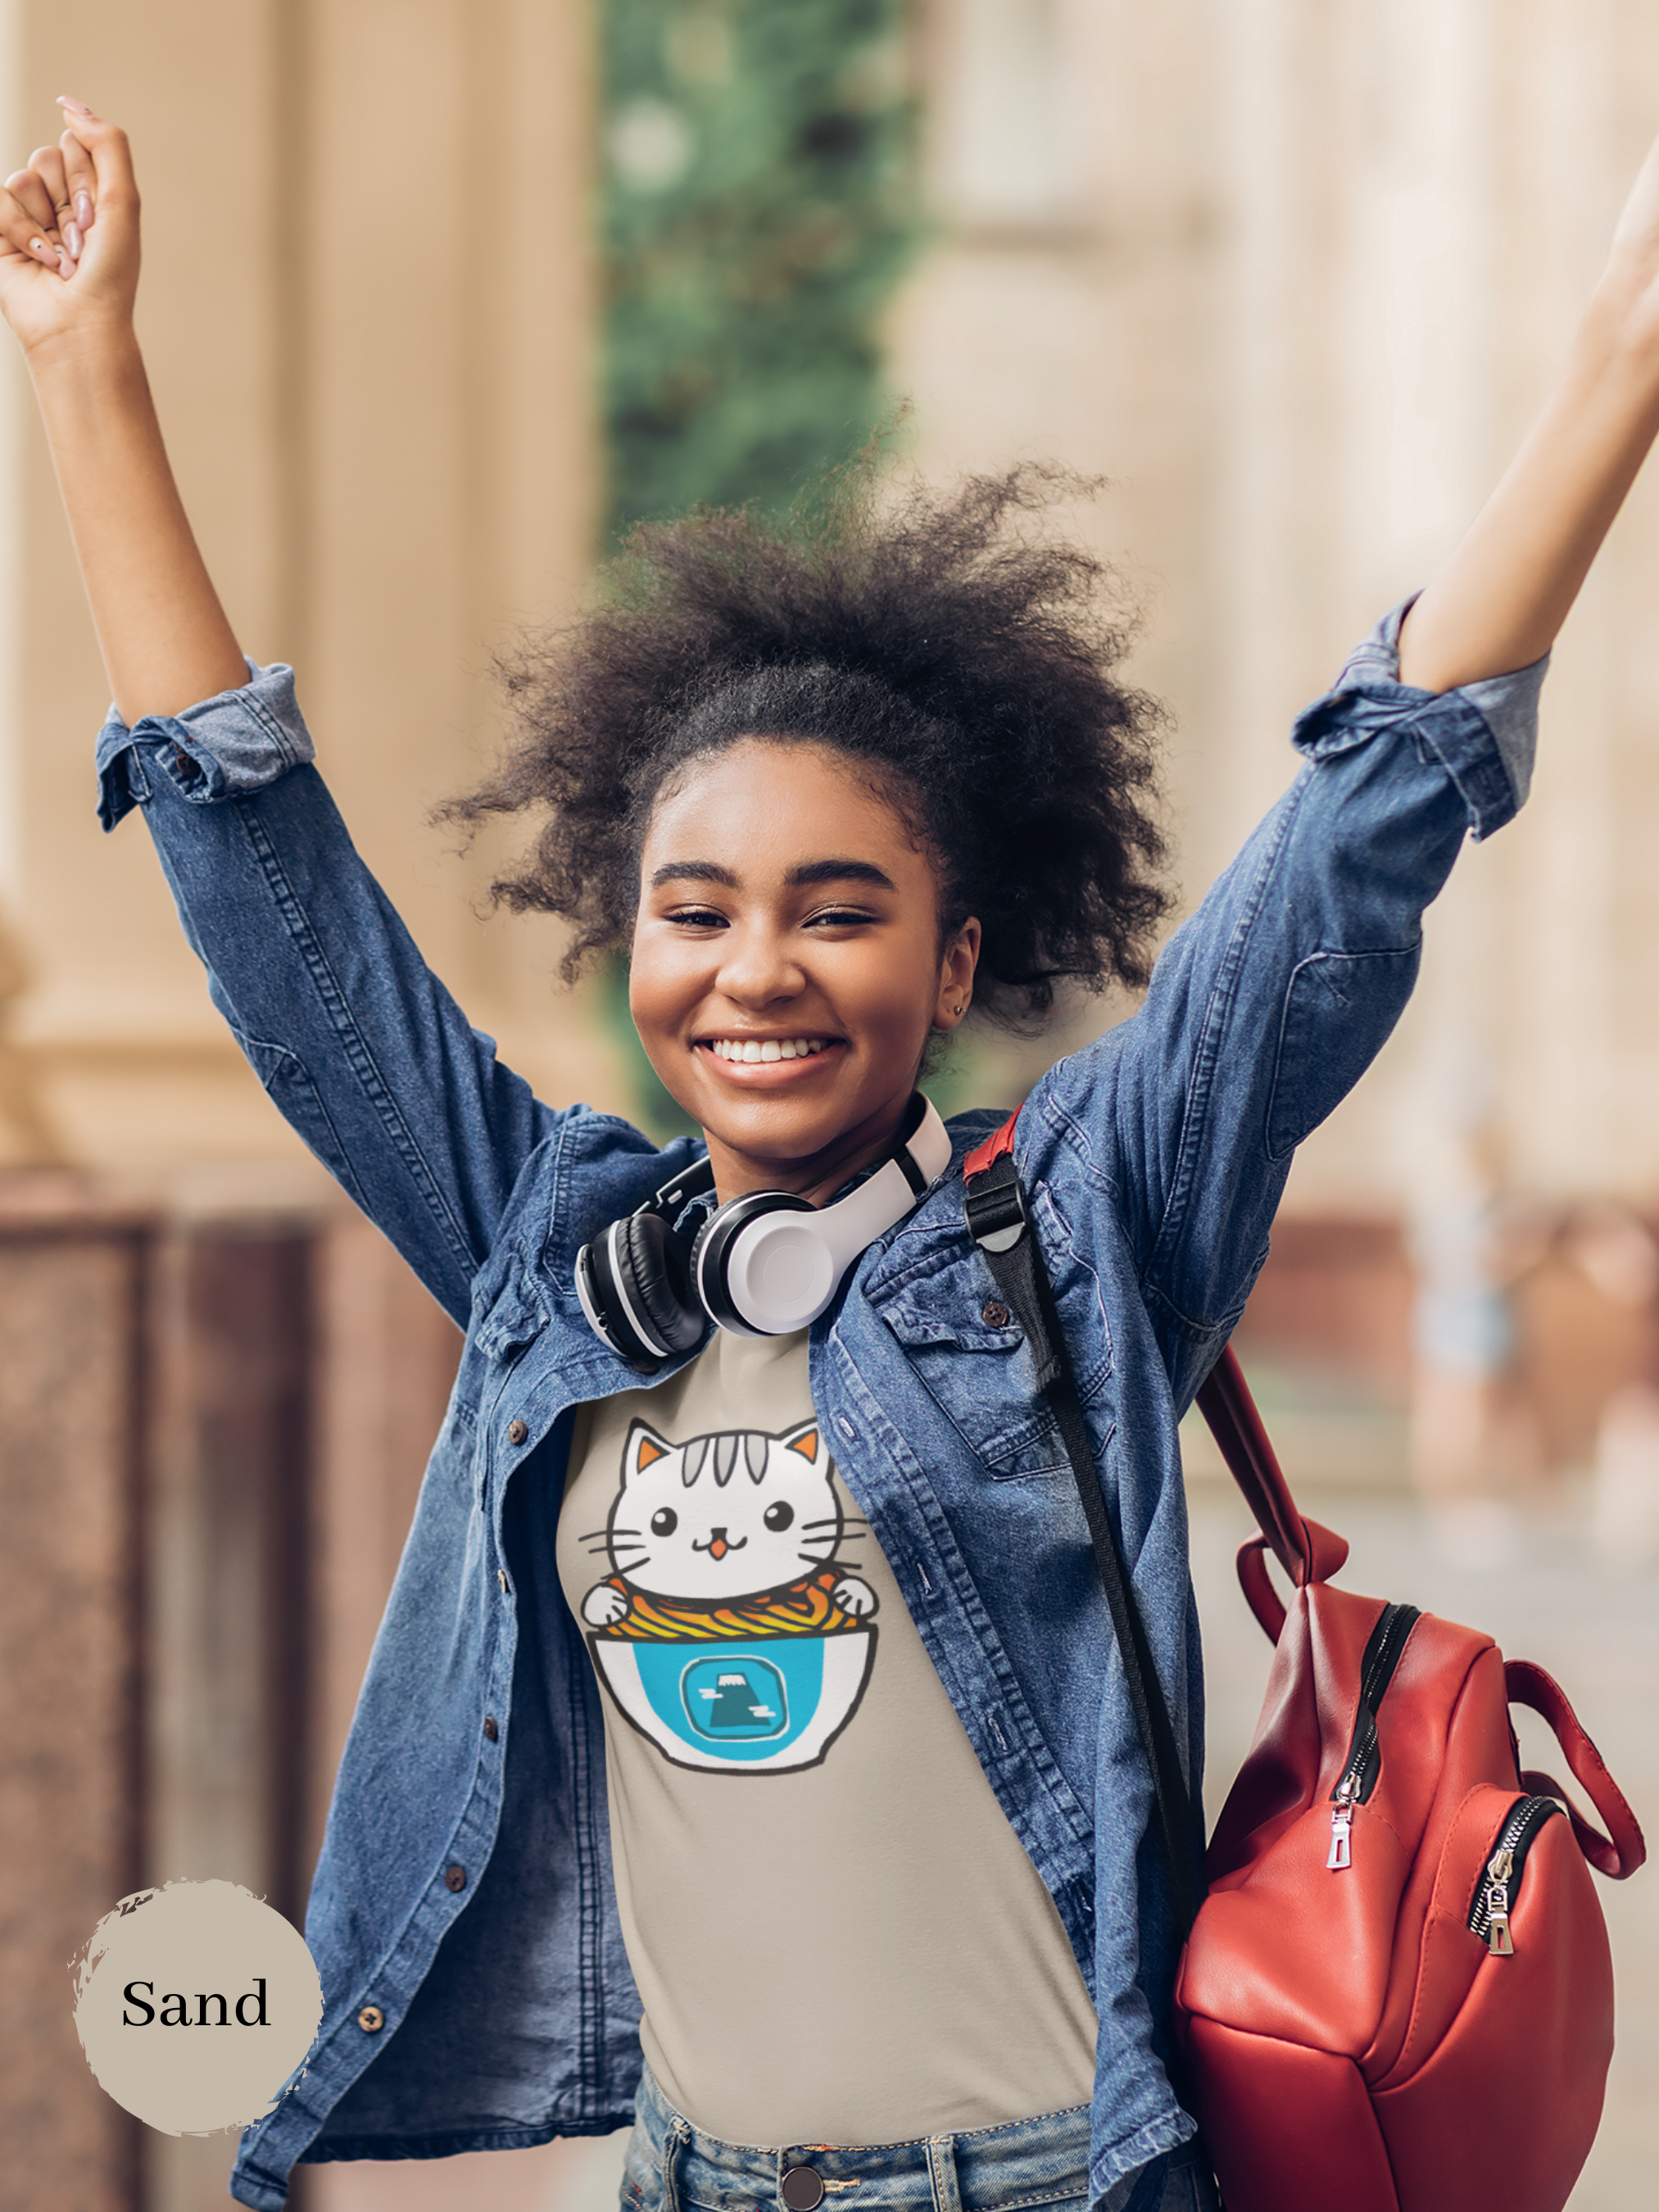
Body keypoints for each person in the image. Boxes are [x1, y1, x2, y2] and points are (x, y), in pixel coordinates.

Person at [7, 89, 1659, 2212]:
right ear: (632, 940)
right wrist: (84, 371)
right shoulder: (554, 1249)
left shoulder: (1078, 1228)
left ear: (957, 949)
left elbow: (1351, 848)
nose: (755, 967)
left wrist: (1619, 351)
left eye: (838, 905)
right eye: (697, 909)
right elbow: (267, 895)